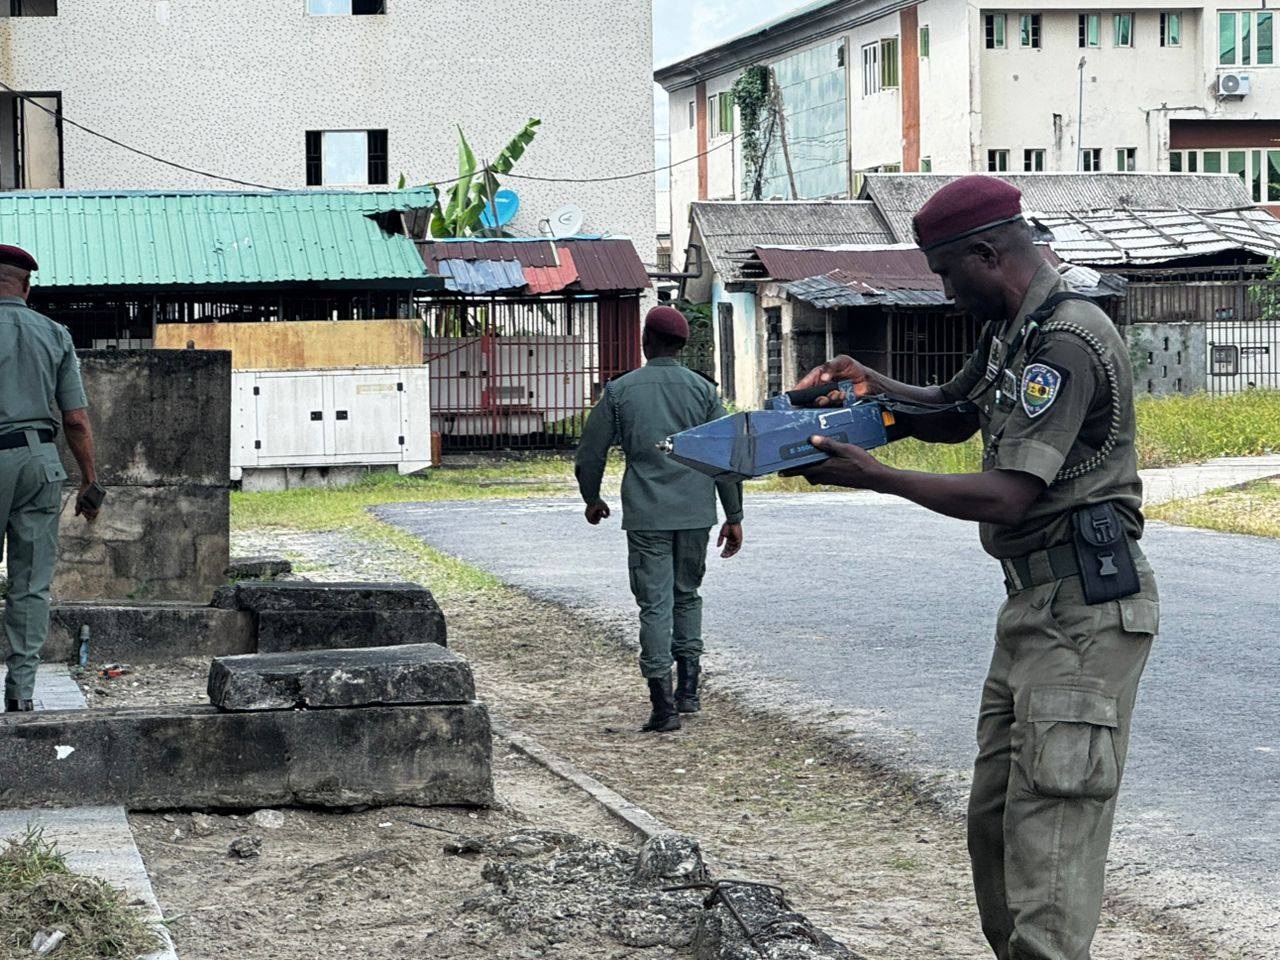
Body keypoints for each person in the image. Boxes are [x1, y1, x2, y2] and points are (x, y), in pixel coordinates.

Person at [790, 176, 1159, 960]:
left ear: (987, 255)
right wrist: (872, 386)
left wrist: (877, 476)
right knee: (995, 826)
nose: (945, 292)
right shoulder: (1015, 333)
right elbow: (957, 411)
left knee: (1048, 838)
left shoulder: (1067, 340)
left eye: (946, 274)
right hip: (1033, 610)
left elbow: (1007, 494)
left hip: (1084, 616)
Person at [575, 305, 744, 733]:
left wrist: (592, 497)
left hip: (647, 515)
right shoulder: (704, 392)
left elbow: (591, 453)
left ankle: (662, 704)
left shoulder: (620, 391)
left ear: (646, 340)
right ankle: (689, 691)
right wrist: (734, 514)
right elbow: (724, 455)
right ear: (683, 345)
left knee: (655, 604)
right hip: (696, 513)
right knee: (687, 594)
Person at [0, 245, 100, 713]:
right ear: (25, 286)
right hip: (37, 461)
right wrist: (89, 481)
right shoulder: (54, 334)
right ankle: (20, 694)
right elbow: (76, 420)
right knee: (30, 582)